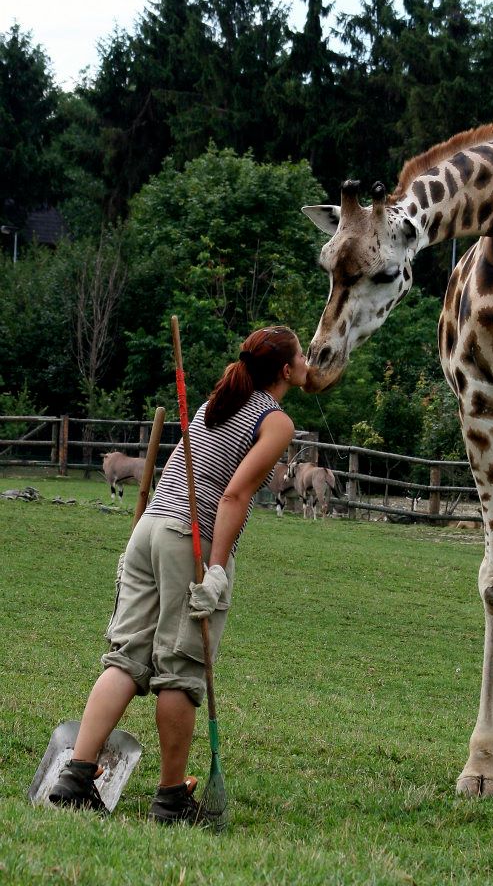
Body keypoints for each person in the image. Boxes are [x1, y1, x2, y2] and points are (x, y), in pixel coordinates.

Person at [49, 326, 307, 823]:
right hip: (190, 539)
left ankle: (75, 777)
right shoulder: (275, 422)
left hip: (148, 531)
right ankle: (170, 801)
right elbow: (233, 496)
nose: (305, 363)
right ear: (283, 370)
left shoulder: (220, 400)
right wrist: (215, 570)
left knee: (125, 658)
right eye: (300, 356)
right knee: (181, 671)